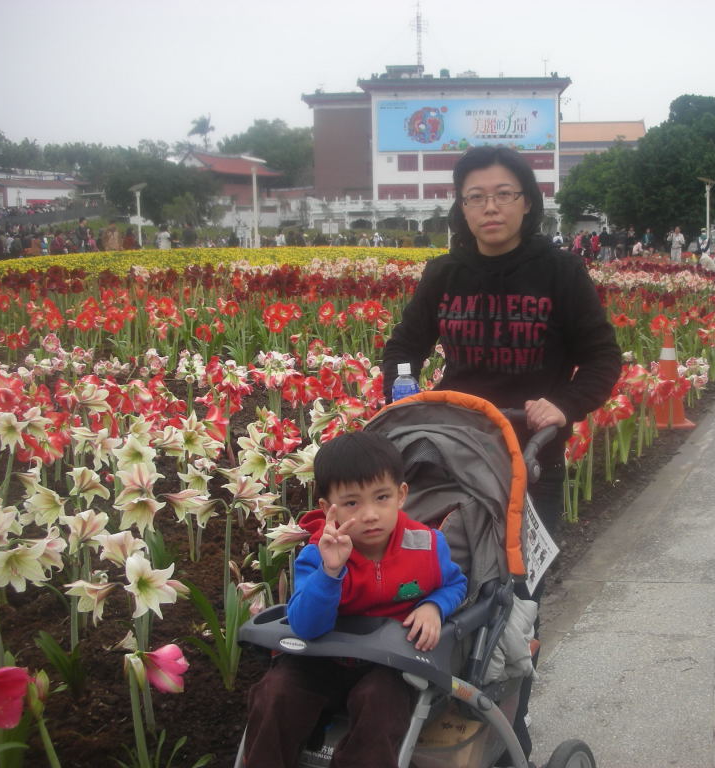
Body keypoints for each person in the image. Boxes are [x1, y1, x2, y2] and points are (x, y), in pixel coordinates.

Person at [381, 145, 621, 758]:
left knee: (515, 601)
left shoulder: (560, 272)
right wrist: (406, 394)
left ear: (527, 202)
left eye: (504, 194)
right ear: (462, 207)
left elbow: (602, 359)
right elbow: (404, 348)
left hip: (528, 460)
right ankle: (432, 723)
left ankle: (511, 729)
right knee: (437, 585)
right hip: (451, 458)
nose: (490, 207)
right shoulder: (445, 274)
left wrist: (563, 404)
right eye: (476, 197)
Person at [243, 431, 467, 768]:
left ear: (401, 495)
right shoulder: (318, 554)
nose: (370, 514)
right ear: (327, 509)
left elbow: (456, 585)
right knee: (276, 692)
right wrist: (330, 573)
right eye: (352, 503)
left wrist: (434, 606)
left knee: (381, 703)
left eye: (382, 497)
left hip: (390, 665)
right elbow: (305, 626)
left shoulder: (427, 546)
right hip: (321, 658)